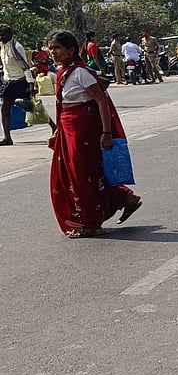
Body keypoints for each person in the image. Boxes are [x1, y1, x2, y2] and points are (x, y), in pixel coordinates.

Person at [45, 30, 142, 238]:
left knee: (83, 175)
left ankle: (91, 223)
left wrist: (106, 132)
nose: (52, 52)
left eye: (57, 48)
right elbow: (63, 105)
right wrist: (58, 131)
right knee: (80, 173)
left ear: (71, 50)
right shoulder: (63, 71)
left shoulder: (81, 73)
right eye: (51, 48)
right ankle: (125, 198)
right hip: (69, 128)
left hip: (84, 130)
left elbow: (102, 102)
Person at [1, 24, 37, 146]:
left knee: (33, 107)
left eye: (3, 35)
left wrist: (31, 84)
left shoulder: (17, 47)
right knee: (4, 108)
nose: (1, 37)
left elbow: (25, 67)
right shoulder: (2, 46)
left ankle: (53, 127)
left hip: (21, 81)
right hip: (8, 81)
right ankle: (7, 138)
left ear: (10, 35)